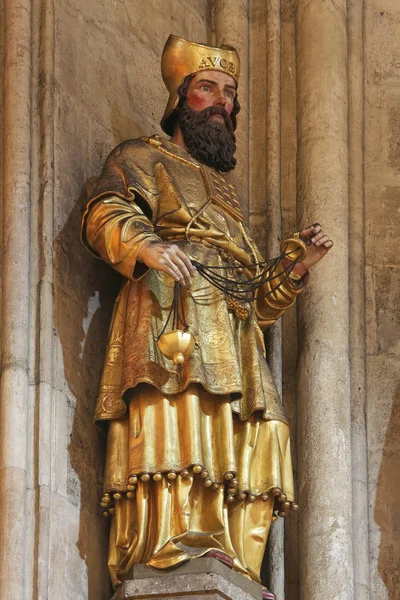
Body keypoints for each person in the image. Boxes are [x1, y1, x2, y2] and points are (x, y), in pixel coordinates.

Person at [81, 34, 333, 599]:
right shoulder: (140, 157)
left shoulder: (227, 195)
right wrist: (146, 247)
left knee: (262, 430)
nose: (222, 102)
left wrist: (291, 269)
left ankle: (237, 557)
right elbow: (104, 211)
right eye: (207, 89)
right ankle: (174, 543)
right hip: (171, 310)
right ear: (179, 97)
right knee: (185, 414)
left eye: (229, 94)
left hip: (235, 334)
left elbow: (252, 297)